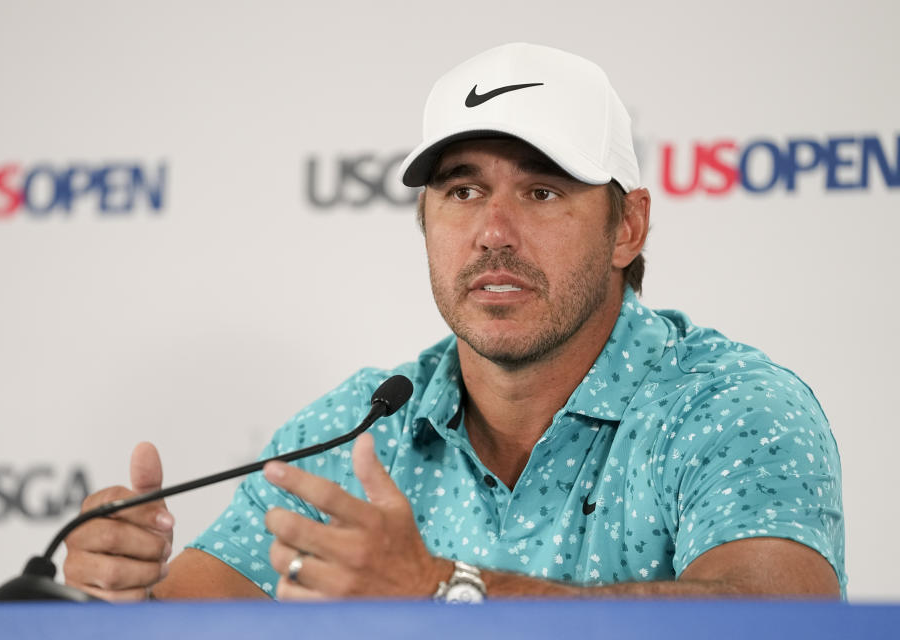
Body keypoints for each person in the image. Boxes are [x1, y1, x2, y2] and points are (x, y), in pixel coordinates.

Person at [63, 43, 845, 602]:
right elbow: (200, 609)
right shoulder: (359, 429)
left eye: (542, 192)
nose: (494, 231)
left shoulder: (731, 406)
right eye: (463, 191)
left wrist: (444, 590)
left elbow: (786, 619)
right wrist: (127, 592)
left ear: (627, 228)